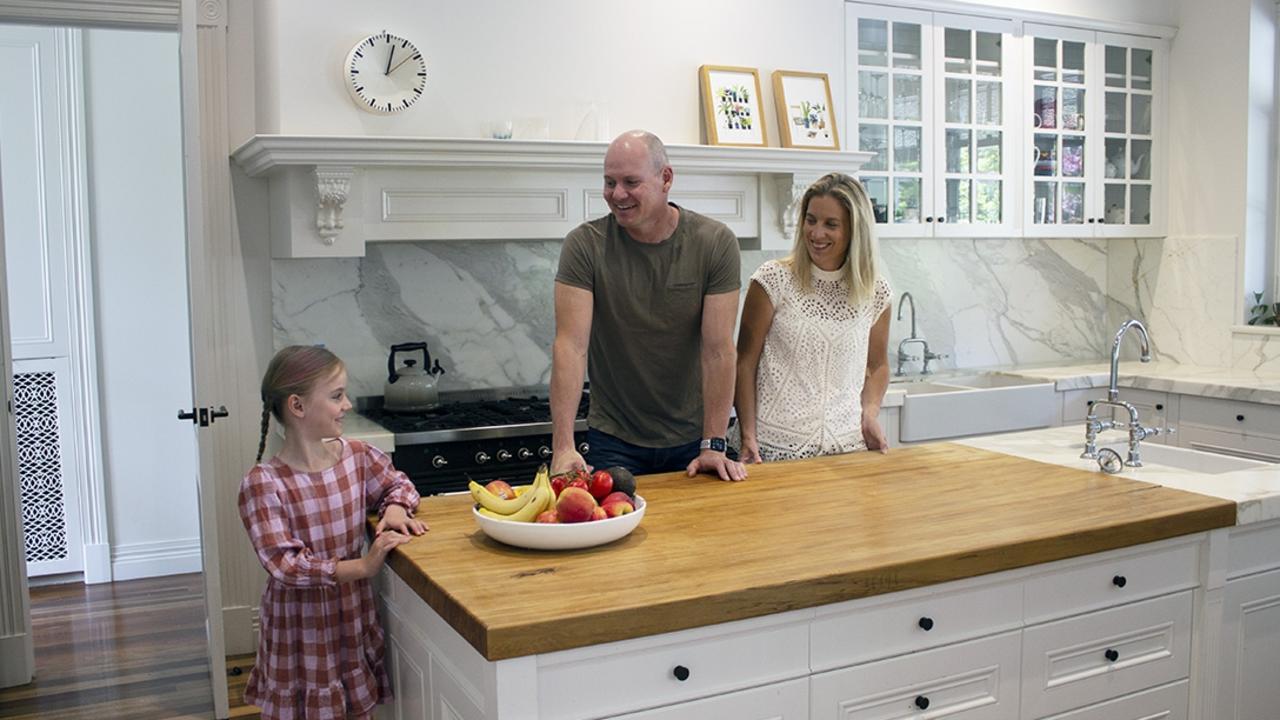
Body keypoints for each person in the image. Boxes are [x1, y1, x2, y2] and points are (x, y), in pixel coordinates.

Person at [238, 345, 428, 720]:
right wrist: (364, 566)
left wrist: (393, 507)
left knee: (357, 709)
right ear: (297, 406)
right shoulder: (263, 483)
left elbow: (399, 484)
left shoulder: (356, 457)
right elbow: (287, 566)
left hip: (351, 615)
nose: (348, 405)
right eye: (337, 396)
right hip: (300, 627)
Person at [550, 129, 748, 481]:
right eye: (609, 182)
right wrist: (563, 445)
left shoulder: (714, 243)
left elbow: (718, 350)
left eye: (630, 182)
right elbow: (571, 346)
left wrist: (714, 443)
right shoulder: (585, 246)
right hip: (614, 439)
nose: (617, 194)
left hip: (695, 438)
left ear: (666, 178)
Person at [734, 173, 892, 462]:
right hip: (773, 450)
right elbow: (743, 363)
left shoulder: (876, 291)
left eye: (831, 224)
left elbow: (878, 365)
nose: (816, 233)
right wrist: (748, 436)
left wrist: (870, 413)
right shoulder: (773, 280)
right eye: (811, 220)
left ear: (855, 230)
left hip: (847, 450)